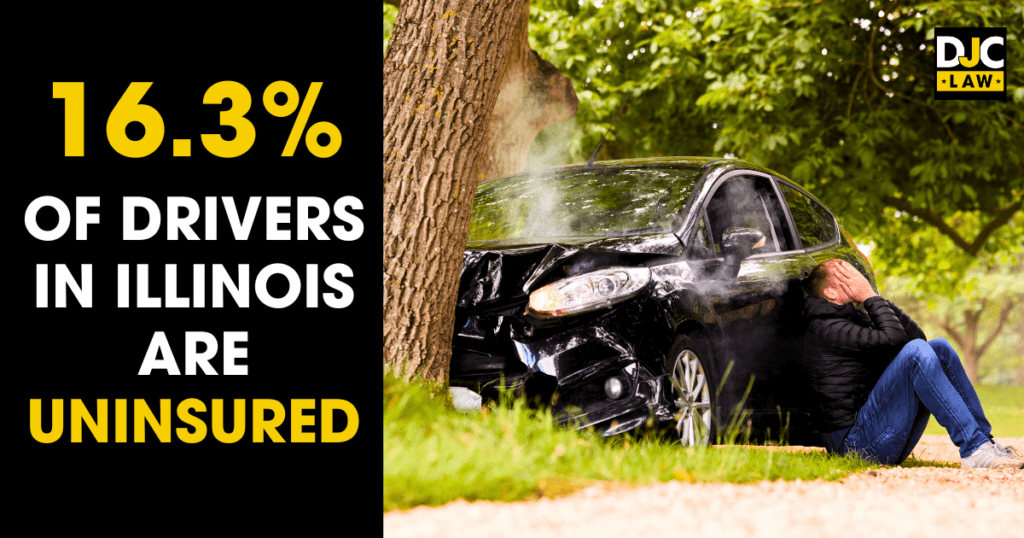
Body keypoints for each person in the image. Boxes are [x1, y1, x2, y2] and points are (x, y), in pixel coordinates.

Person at [801, 258, 1023, 469]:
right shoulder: (825, 328)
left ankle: (983, 443)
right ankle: (974, 449)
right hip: (854, 446)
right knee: (916, 352)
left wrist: (873, 298)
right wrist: (869, 297)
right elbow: (895, 341)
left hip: (871, 434)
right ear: (830, 292)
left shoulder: (850, 317)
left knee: (939, 348)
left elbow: (917, 338)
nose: (856, 279)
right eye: (845, 275)